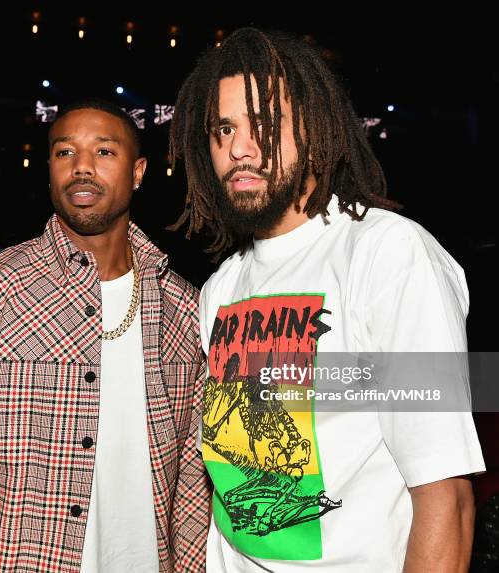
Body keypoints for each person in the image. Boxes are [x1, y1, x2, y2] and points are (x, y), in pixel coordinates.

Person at [170, 28, 485, 572]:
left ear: (316, 134)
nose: (239, 148)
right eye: (224, 129)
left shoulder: (387, 254)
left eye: (263, 124)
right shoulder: (223, 285)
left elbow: (445, 496)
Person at [0, 98, 211, 572]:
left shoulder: (185, 309)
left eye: (105, 152)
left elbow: (193, 489)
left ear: (138, 171)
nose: (82, 168)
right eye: (64, 152)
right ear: (49, 170)